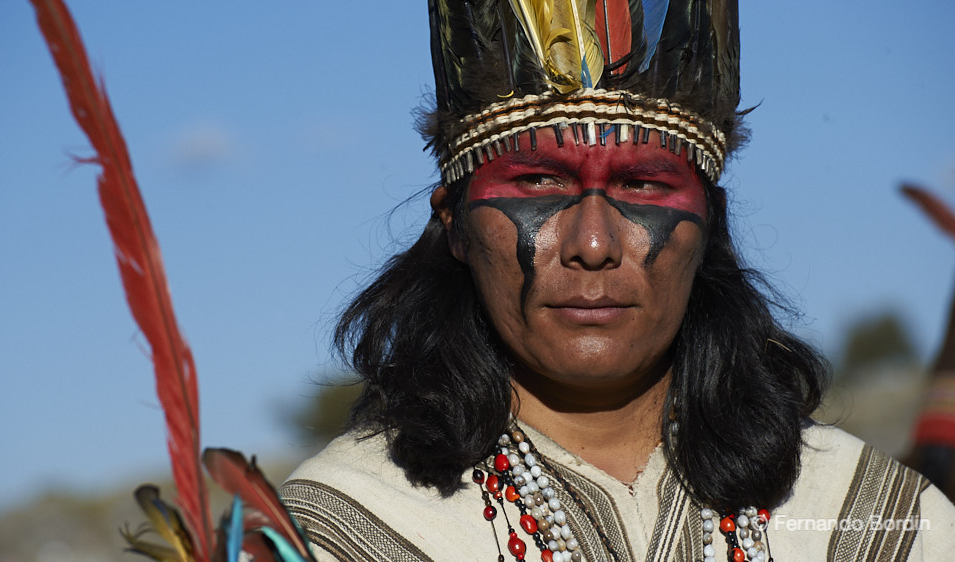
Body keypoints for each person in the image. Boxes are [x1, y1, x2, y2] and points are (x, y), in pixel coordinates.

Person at [279, 1, 955, 560]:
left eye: (643, 184)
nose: (594, 245)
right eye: (539, 182)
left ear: (709, 226)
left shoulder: (872, 518)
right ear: (454, 224)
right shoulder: (338, 529)